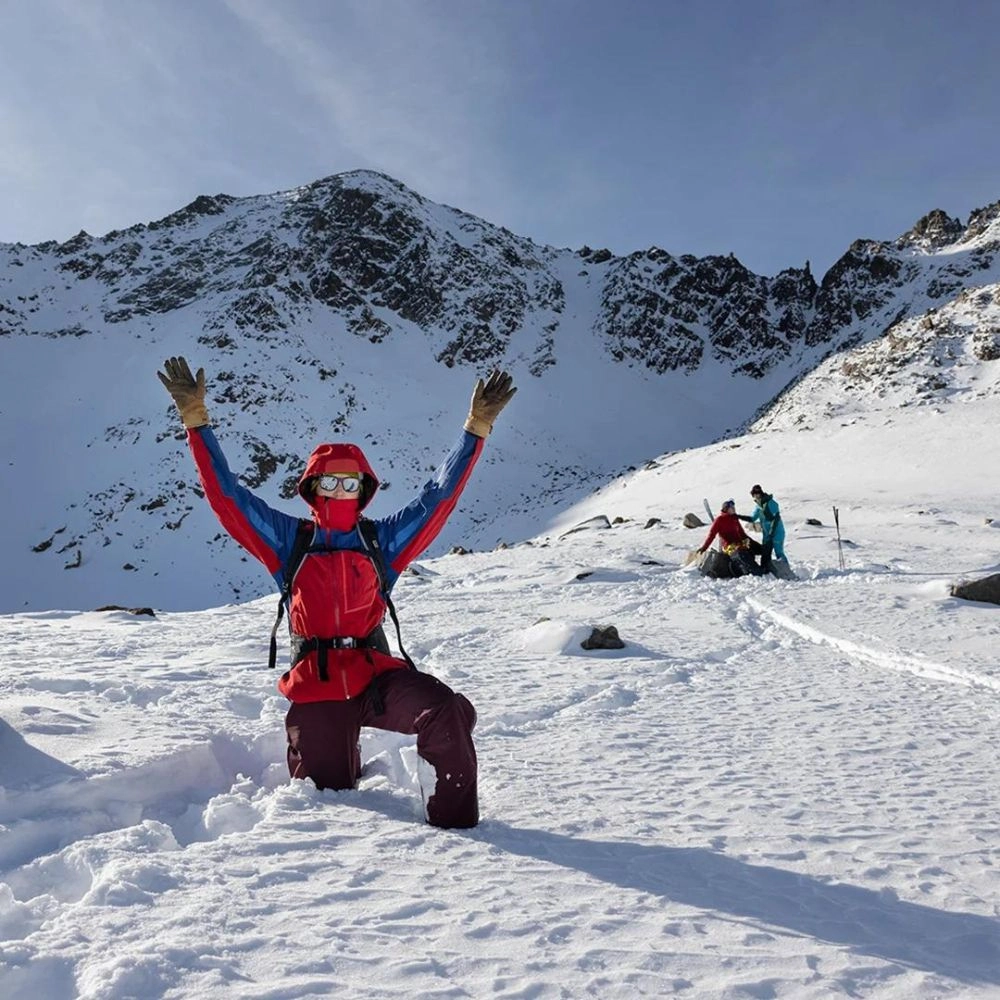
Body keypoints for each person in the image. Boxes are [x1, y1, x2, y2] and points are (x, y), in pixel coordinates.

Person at [157, 356, 516, 829]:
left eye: (351, 482)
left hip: (375, 677)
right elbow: (228, 497)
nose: (342, 490)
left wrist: (476, 429)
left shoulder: (380, 541)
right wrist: (196, 423)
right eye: (331, 481)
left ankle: (454, 828)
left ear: (364, 489)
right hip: (318, 683)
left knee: (444, 710)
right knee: (329, 800)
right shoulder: (291, 542)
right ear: (313, 488)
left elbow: (439, 497)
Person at [697, 499, 763, 577]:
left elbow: (742, 534)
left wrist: (754, 544)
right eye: (732, 507)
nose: (734, 509)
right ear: (726, 509)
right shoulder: (719, 520)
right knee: (740, 553)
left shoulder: (734, 518)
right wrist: (704, 548)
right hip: (729, 547)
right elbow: (711, 535)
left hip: (739, 544)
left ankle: (767, 567)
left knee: (760, 549)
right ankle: (756, 572)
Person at [739, 485, 785, 574]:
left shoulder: (771, 503)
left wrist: (772, 532)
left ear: (760, 493)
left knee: (778, 552)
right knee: (765, 553)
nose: (756, 496)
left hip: (777, 532)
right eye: (754, 494)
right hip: (767, 534)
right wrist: (739, 516)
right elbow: (752, 518)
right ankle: (766, 571)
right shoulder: (758, 506)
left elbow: (775, 519)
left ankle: (786, 571)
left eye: (757, 493)